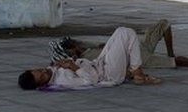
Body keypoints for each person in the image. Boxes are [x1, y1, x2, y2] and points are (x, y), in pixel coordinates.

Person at [51, 19, 188, 70]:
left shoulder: (85, 46)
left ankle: (170, 53)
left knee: (164, 24)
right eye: (72, 45)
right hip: (139, 59)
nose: (76, 43)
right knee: (179, 61)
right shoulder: (87, 59)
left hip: (139, 45)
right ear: (71, 52)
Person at [18, 27, 160, 90]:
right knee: (126, 32)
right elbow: (90, 81)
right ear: (42, 84)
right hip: (107, 74)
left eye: (39, 70)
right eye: (42, 77)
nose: (44, 72)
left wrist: (71, 61)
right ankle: (137, 72)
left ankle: (135, 71)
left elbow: (63, 65)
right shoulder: (63, 81)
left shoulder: (52, 70)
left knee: (118, 32)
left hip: (98, 63)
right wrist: (74, 67)